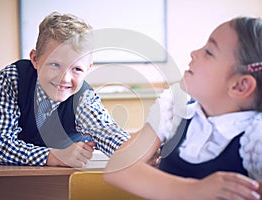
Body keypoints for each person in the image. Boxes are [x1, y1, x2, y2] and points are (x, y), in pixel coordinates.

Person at [104, 16, 262, 200]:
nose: (194, 52)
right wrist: (195, 190)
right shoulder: (174, 111)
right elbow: (117, 167)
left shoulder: (256, 137)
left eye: (209, 52)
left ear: (240, 86)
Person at [0, 12, 131, 168]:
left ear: (88, 69)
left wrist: (135, 154)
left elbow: (107, 132)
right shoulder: (14, 78)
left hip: (64, 181)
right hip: (15, 178)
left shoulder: (83, 98)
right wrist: (52, 157)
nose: (64, 79)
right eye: (55, 65)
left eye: (76, 69)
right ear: (35, 59)